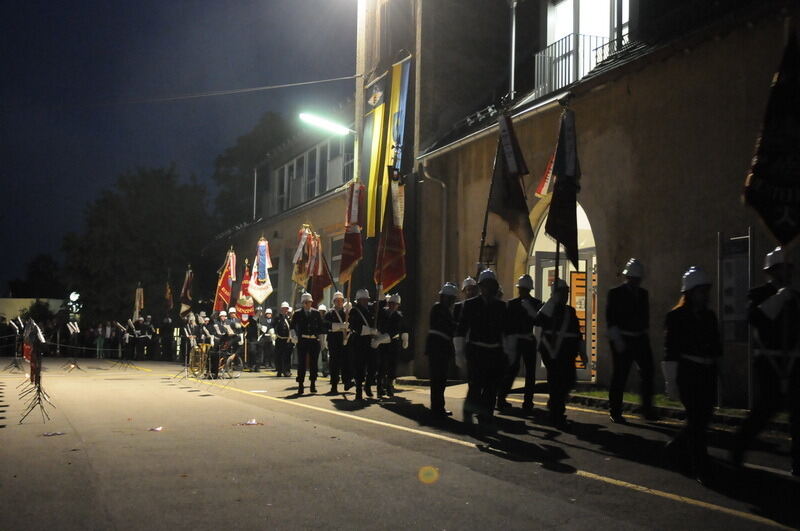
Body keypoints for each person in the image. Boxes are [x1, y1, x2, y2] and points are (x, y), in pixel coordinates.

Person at [733, 247, 800, 477]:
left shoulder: (795, 295)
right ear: (772, 270)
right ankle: (738, 447)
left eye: (789, 268)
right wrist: (779, 298)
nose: (787, 272)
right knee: (765, 411)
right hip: (768, 360)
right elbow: (755, 319)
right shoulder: (758, 294)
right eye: (783, 268)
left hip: (793, 361)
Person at [664, 267, 722, 484]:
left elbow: (716, 347)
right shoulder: (676, 316)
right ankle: (701, 467)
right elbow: (670, 350)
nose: (704, 294)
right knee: (697, 421)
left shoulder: (709, 316)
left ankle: (676, 448)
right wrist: (671, 381)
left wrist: (718, 371)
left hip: (706, 373)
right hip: (688, 373)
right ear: (689, 292)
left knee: (701, 418)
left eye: (706, 290)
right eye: (700, 290)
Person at [454, 269, 507, 431]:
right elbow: (461, 330)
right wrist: (459, 353)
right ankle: (469, 413)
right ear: (481, 287)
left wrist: (508, 351)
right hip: (476, 351)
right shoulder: (470, 305)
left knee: (491, 388)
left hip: (495, 352)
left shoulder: (501, 306)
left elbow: (506, 330)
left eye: (491, 285)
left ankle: (486, 416)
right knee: (476, 386)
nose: (488, 289)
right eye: (485, 285)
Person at [607, 258, 657, 423]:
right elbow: (611, 319)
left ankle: (647, 409)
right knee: (620, 375)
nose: (636, 281)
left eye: (638, 279)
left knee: (648, 372)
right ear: (627, 277)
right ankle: (615, 410)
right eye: (634, 278)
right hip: (622, 337)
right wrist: (617, 340)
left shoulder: (643, 294)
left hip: (640, 337)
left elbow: (645, 317)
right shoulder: (615, 293)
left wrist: (645, 334)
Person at [534, 279, 586, 429]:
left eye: (566, 293)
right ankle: (556, 412)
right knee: (556, 381)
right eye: (562, 293)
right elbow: (538, 320)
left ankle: (556, 404)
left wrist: (582, 351)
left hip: (567, 351)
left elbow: (577, 332)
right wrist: (552, 301)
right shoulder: (548, 309)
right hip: (551, 352)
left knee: (568, 380)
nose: (566, 296)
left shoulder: (570, 311)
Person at [498, 274, 542, 413]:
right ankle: (501, 398)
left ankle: (528, 401)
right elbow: (505, 324)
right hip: (515, 340)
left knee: (530, 373)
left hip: (528, 339)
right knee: (511, 370)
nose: (522, 291)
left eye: (524, 289)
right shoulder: (511, 304)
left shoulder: (535, 303)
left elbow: (539, 321)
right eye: (521, 289)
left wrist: (532, 311)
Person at [426, 282, 458, 418]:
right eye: (451, 299)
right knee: (438, 379)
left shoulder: (443, 310)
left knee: (440, 379)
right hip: (438, 348)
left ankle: (438, 406)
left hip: (439, 348)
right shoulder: (439, 309)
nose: (452, 301)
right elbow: (447, 327)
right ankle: (437, 407)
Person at [290, 293, 325, 395]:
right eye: (305, 302)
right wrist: (294, 336)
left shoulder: (316, 313)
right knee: (302, 364)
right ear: (302, 303)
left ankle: (313, 384)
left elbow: (321, 328)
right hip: (303, 340)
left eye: (309, 302)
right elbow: (292, 327)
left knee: (313, 364)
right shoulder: (297, 313)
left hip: (314, 341)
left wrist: (322, 341)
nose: (307, 304)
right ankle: (300, 384)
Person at [375, 293, 407, 398]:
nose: (393, 305)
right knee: (382, 366)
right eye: (391, 303)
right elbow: (378, 323)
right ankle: (379, 387)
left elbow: (398, 329)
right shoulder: (382, 313)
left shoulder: (399, 316)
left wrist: (405, 338)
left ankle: (389, 386)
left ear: (398, 305)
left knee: (392, 366)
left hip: (393, 342)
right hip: (383, 343)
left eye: (395, 304)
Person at [348, 289, 377, 401]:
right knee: (359, 366)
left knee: (373, 365)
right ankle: (359, 389)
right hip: (359, 342)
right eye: (363, 299)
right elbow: (355, 326)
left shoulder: (372, 310)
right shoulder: (354, 311)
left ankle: (368, 385)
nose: (366, 301)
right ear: (359, 300)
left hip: (371, 342)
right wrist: (370, 330)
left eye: (367, 299)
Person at [325, 292, 351, 394]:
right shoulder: (330, 313)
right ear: (334, 302)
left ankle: (346, 381)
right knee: (334, 363)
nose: (339, 302)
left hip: (344, 340)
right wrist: (339, 326)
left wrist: (347, 332)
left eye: (341, 300)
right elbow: (325, 325)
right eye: (338, 300)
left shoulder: (346, 314)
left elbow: (352, 325)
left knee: (346, 361)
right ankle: (334, 385)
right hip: (333, 339)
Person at [274, 302, 293, 377]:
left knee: (287, 356)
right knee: (278, 355)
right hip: (279, 339)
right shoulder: (277, 318)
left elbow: (293, 328)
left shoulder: (289, 318)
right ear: (281, 309)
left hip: (288, 340)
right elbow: (272, 326)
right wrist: (273, 334)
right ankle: (279, 370)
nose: (285, 310)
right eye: (284, 308)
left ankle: (287, 371)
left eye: (286, 309)